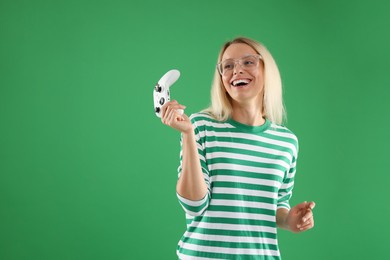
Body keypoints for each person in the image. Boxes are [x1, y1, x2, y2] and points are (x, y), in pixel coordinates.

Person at [161, 36, 316, 260]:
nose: (237, 70)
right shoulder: (200, 126)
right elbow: (194, 205)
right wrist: (187, 135)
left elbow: (277, 204)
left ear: (266, 69)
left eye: (248, 62)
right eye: (228, 66)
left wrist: (290, 220)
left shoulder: (287, 141)